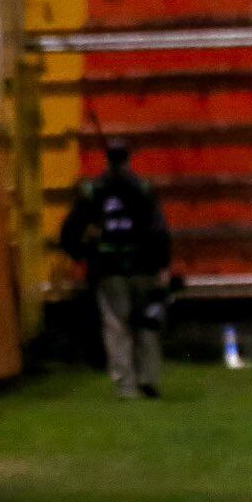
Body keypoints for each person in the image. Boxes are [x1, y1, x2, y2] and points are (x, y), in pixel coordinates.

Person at [60, 136, 172, 400]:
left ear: (107, 159)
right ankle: (148, 377)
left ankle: (126, 384)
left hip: (109, 269)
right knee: (146, 323)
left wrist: (81, 254)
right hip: (144, 267)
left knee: (116, 326)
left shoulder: (92, 190)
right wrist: (163, 265)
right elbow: (160, 230)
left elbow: (69, 230)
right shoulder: (143, 189)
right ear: (129, 158)